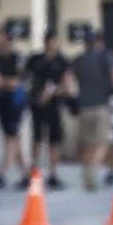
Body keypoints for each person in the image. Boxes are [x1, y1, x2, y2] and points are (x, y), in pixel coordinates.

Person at [67, 29, 113, 191]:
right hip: (101, 106)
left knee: (88, 144)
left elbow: (68, 81)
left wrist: (73, 97)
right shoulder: (106, 58)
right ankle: (92, 169)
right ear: (99, 42)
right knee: (103, 142)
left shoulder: (78, 60)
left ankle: (86, 173)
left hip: (84, 107)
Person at [25, 31, 69, 189]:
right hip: (37, 104)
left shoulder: (61, 60)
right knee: (37, 137)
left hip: (54, 103)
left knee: (54, 139)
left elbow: (66, 84)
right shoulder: (35, 59)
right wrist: (36, 96)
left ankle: (53, 173)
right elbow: (28, 80)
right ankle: (34, 171)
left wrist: (53, 92)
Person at [0, 28, 27, 188]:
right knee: (11, 137)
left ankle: (2, 173)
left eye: (1, 37)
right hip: (1, 101)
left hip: (14, 101)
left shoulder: (16, 57)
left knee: (11, 136)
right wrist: (1, 83)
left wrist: (1, 83)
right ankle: (26, 174)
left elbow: (16, 83)